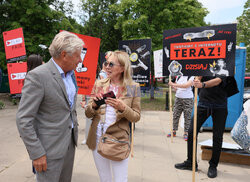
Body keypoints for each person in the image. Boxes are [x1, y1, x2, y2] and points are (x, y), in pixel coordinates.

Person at [16, 31, 84, 182]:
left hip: (69, 144)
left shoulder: (71, 74)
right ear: (64, 54)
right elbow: (23, 119)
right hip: (48, 150)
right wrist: (36, 153)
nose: (80, 60)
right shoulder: (38, 76)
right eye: (78, 56)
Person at [85, 50, 141, 182]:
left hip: (118, 140)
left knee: (120, 179)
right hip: (97, 136)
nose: (107, 67)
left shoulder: (133, 87)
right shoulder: (99, 84)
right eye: (106, 63)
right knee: (104, 178)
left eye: (111, 64)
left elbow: (136, 117)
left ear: (122, 68)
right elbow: (88, 114)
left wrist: (123, 108)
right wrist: (94, 105)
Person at [175, 75, 228, 178]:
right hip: (203, 103)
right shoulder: (206, 59)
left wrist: (203, 84)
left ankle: (213, 166)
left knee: (217, 137)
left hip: (220, 105)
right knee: (191, 132)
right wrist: (197, 79)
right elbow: (200, 73)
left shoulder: (226, 61)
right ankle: (191, 162)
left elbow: (218, 80)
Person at [81, 63, 107, 145]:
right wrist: (83, 99)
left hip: (98, 100)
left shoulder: (100, 76)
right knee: (88, 120)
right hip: (89, 99)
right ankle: (87, 138)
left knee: (99, 120)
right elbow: (83, 88)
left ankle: (99, 137)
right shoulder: (86, 76)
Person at [167, 76, 194, 141]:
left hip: (188, 99)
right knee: (175, 114)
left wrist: (173, 84)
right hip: (178, 98)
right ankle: (173, 130)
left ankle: (186, 133)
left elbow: (186, 85)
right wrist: (172, 86)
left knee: (187, 116)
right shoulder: (179, 76)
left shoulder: (191, 76)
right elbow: (177, 88)